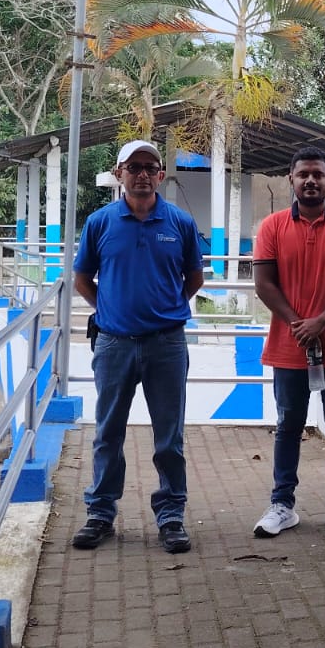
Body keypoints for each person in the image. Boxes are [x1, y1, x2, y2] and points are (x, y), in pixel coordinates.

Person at [72, 140, 205, 554]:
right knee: (108, 432)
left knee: (169, 437)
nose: (142, 174)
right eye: (134, 167)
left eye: (150, 167)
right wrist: (109, 310)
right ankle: (100, 513)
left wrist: (166, 309)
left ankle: (171, 516)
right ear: (119, 173)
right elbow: (82, 279)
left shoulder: (180, 223)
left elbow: (194, 278)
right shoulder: (99, 223)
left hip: (167, 345)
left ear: (161, 175)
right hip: (114, 345)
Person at [251, 147, 325, 538]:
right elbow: (263, 283)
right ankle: (282, 505)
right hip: (288, 347)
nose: (310, 181)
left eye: (318, 174)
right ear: (291, 178)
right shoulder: (272, 226)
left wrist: (321, 321)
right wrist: (297, 324)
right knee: (288, 425)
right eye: (303, 174)